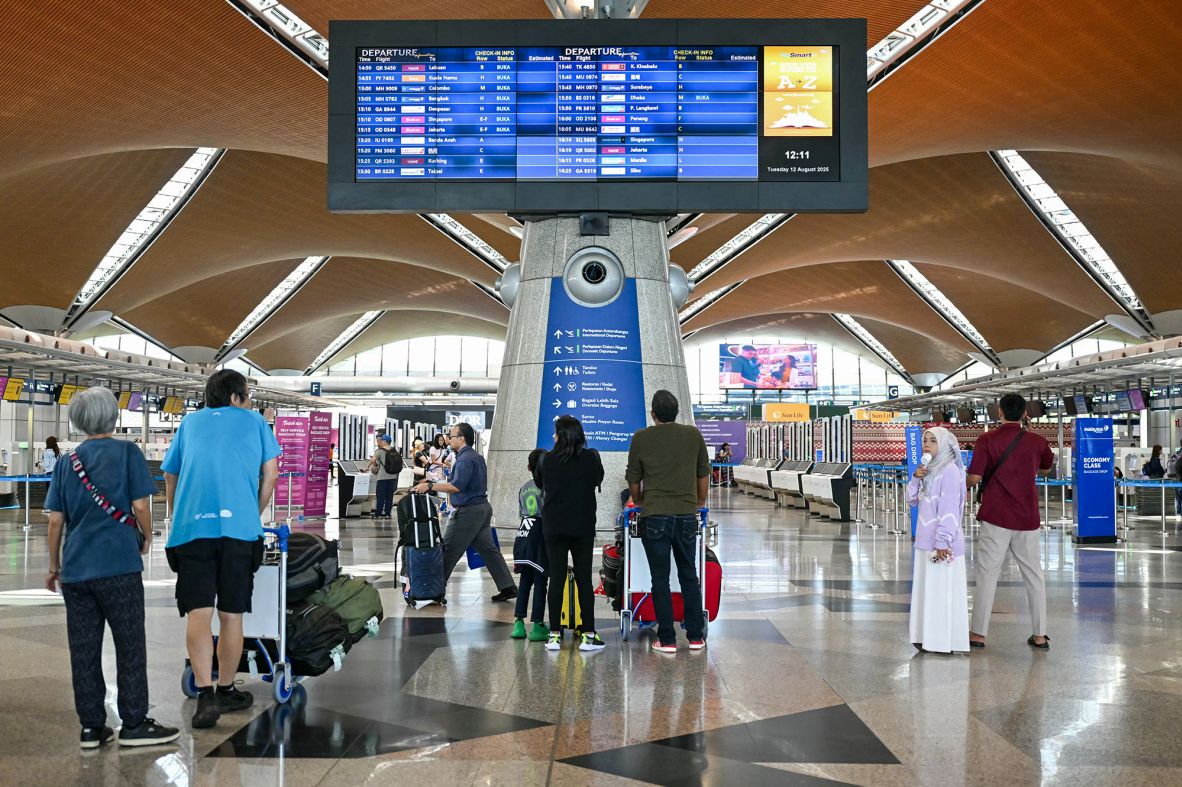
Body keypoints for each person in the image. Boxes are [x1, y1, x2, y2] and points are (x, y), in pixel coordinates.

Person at [45, 387, 180, 748]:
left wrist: (54, 565)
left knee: (84, 649)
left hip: (76, 572)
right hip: (119, 565)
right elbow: (140, 505)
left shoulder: (66, 462)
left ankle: (91, 727)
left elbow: (56, 521)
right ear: (112, 417)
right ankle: (134, 723)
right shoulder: (127, 453)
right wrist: (148, 537)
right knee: (130, 644)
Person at [163, 370, 281, 729]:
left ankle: (205, 694)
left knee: (198, 613)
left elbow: (171, 474)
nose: (249, 404)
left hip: (192, 530)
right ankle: (227, 688)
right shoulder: (256, 422)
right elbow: (272, 475)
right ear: (234, 398)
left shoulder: (189, 424)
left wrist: (176, 513)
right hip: (239, 531)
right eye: (247, 396)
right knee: (232, 615)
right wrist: (252, 512)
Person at [966, 392, 1054, 650]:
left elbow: (973, 477)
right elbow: (1046, 468)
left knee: (987, 574)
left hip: (996, 517)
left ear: (1000, 412)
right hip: (1027, 518)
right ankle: (1040, 635)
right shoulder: (1037, 441)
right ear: (1025, 413)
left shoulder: (986, 440)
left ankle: (978, 634)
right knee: (1034, 576)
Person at [625, 390, 709, 654]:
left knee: (659, 579)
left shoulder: (642, 437)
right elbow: (703, 473)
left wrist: (638, 500)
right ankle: (696, 637)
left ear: (653, 414)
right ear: (677, 412)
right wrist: (699, 502)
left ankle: (667, 639)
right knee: (689, 576)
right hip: (686, 515)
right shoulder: (693, 435)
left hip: (655, 515)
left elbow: (634, 478)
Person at [413, 423, 515, 600]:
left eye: (451, 436)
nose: (448, 439)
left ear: (461, 438)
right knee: (489, 551)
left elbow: (456, 486)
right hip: (482, 508)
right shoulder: (475, 457)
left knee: (448, 550)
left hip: (468, 512)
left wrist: (429, 485)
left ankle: (434, 591)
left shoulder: (465, 459)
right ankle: (508, 586)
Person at [535, 416, 605, 652]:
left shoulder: (547, 459)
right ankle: (588, 634)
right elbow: (598, 478)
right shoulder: (591, 457)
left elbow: (540, 482)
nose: (553, 436)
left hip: (554, 527)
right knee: (584, 579)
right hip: (582, 527)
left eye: (556, 432)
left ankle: (554, 635)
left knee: (556, 578)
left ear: (561, 434)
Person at [907, 427, 969, 654]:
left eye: (933, 441)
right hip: (926, 542)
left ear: (944, 445)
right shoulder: (929, 471)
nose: (927, 444)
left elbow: (950, 509)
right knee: (929, 593)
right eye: (925, 440)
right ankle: (925, 637)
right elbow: (912, 501)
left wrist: (943, 541)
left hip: (942, 545)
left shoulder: (950, 471)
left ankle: (942, 641)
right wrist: (915, 478)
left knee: (942, 593)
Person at [510, 448, 549, 642]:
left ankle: (518, 623)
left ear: (528, 467)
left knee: (525, 581)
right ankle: (538, 625)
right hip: (539, 535)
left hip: (523, 532)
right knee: (541, 581)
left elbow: (521, 512)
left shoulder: (524, 487)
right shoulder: (547, 486)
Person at [367, 434, 398, 519]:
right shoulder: (394, 450)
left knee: (380, 495)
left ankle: (378, 513)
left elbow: (373, 460)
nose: (380, 442)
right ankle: (388, 513)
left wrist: (376, 466)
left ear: (384, 441)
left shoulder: (380, 451)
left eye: (381, 440)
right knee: (389, 496)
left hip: (382, 477)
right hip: (392, 476)